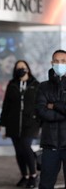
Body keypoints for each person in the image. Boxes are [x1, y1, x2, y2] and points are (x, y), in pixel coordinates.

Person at [0, 60, 40, 188]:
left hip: (30, 124)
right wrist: (2, 123)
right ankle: (25, 175)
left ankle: (33, 175)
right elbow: (6, 105)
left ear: (28, 68)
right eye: (18, 68)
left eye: (23, 67)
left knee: (25, 146)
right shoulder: (12, 84)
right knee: (19, 151)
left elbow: (40, 105)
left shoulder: (36, 84)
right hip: (13, 123)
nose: (20, 69)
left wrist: (40, 121)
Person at [36, 49, 66, 189]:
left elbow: (48, 110)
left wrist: (54, 105)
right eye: (57, 61)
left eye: (63, 61)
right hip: (50, 144)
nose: (60, 64)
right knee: (46, 185)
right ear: (52, 63)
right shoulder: (43, 86)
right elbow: (42, 111)